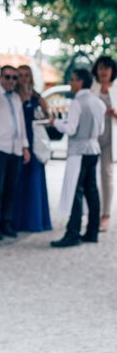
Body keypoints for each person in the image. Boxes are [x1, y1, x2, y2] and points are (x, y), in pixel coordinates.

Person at [51, 69, 105, 247]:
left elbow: (71, 129)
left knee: (76, 191)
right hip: (94, 149)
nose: (71, 83)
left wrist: (56, 123)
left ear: (81, 82)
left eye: (73, 80)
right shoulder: (98, 103)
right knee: (92, 191)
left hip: (79, 151)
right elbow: (102, 130)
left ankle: (72, 233)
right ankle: (92, 231)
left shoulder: (77, 103)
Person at [0, 65, 31, 241]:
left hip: (16, 149)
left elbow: (21, 123)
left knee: (11, 188)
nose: (11, 81)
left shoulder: (17, 98)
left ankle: (6, 222)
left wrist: (25, 146)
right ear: (1, 78)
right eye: (7, 77)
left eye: (14, 77)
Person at [12, 65, 52, 232]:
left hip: (35, 144)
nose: (23, 79)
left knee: (34, 182)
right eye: (20, 75)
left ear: (30, 77)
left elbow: (48, 118)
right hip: (17, 142)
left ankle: (36, 222)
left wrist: (44, 110)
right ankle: (16, 222)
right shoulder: (12, 97)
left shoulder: (37, 98)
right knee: (17, 182)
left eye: (26, 75)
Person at [91, 55, 117, 232]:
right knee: (89, 175)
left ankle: (106, 214)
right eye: (101, 68)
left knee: (107, 175)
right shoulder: (92, 88)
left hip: (111, 136)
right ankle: (92, 212)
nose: (104, 71)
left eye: (107, 68)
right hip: (93, 136)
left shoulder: (116, 89)